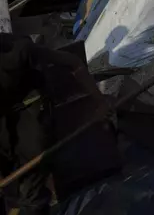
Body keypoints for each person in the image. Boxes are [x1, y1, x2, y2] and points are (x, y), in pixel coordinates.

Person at [0, 33, 109, 214]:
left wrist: (100, 103)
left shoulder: (19, 50)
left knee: (32, 185)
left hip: (27, 108)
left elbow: (73, 63)